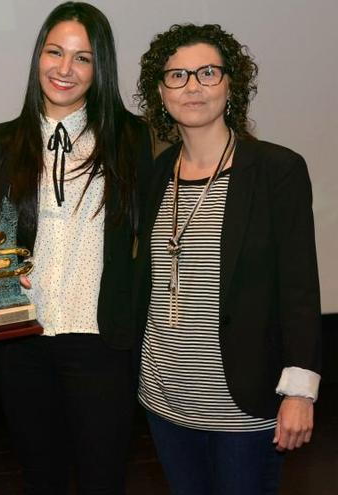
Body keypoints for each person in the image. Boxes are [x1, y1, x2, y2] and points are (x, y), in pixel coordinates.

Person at [134, 23, 321, 495]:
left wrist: (300, 391)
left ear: (230, 84)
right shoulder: (157, 174)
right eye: (177, 76)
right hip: (164, 397)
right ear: (160, 92)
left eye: (207, 73)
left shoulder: (277, 171)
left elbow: (299, 287)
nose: (192, 86)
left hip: (243, 404)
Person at [0, 2, 152, 493]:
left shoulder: (131, 138)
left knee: (104, 475)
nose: (64, 69)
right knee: (40, 474)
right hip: (22, 337)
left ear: (101, 68)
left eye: (82, 58)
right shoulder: (1, 141)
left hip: (100, 338)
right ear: (38, 57)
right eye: (54, 52)